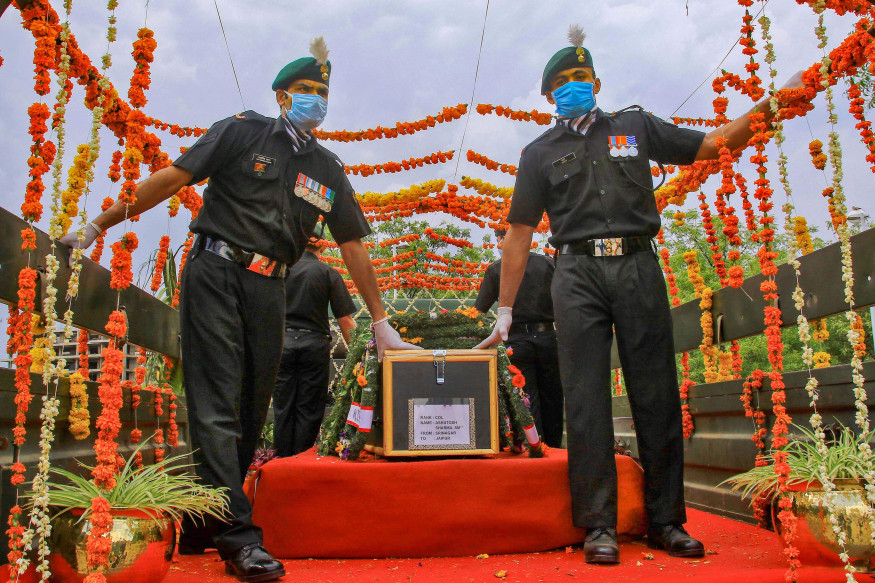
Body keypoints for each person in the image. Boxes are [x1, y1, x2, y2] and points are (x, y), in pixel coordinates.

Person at [60, 39, 416, 582]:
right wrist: (100, 224)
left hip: (270, 287)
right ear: (281, 96)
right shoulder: (241, 131)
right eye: (305, 91)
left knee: (252, 407)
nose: (315, 100)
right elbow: (174, 178)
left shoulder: (327, 167)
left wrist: (383, 323)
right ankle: (239, 539)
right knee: (217, 401)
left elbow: (353, 246)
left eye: (322, 93)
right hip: (215, 273)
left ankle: (209, 516)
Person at [476, 26, 804, 565]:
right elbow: (519, 231)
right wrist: (506, 308)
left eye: (580, 77)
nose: (571, 87)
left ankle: (666, 521)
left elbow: (708, 145)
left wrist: (773, 104)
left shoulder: (634, 125)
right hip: (575, 273)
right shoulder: (538, 153)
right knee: (584, 398)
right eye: (561, 82)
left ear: (597, 81)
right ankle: (598, 524)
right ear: (547, 96)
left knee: (655, 390)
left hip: (637, 265)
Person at [474, 228, 564, 448]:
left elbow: (478, 311)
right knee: (553, 395)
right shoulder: (548, 264)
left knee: (526, 396)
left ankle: (536, 448)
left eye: (498, 239)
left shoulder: (497, 269)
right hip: (549, 337)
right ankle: (554, 447)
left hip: (517, 341)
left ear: (503, 238)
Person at [273, 231, 357, 457]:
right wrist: (357, 355)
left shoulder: (279, 270)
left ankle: (280, 461)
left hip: (282, 343)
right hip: (314, 345)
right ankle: (302, 459)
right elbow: (345, 320)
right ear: (322, 247)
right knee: (310, 408)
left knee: (283, 406)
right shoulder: (328, 272)